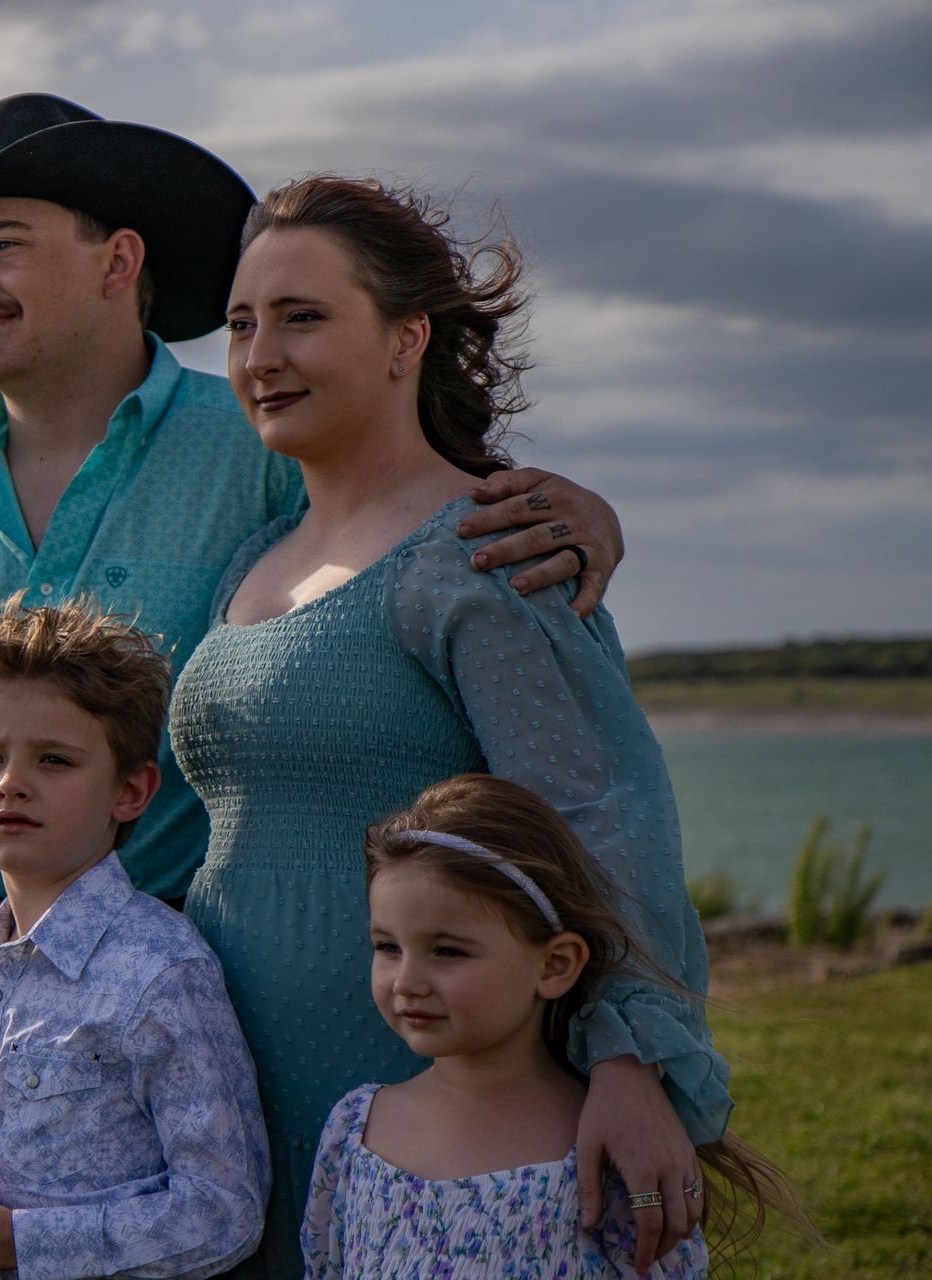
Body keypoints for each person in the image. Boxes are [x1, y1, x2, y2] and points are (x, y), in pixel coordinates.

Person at [0, 91, 627, 1212]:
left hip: (251, 994)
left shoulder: (266, 439)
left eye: (1, 243)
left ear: (117, 259)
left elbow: (412, 520)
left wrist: (565, 507)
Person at [168, 174, 733, 1272]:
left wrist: (630, 1062)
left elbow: (598, 812)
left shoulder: (484, 550)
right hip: (229, 1103)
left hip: (416, 1103)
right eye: (240, 324)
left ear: (405, 338)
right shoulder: (253, 560)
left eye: (303, 316)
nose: (259, 354)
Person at [0, 597, 268, 1280]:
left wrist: (14, 1242)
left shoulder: (159, 969)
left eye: (54, 761)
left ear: (130, 791)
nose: (10, 783)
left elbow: (223, 1212)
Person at [301, 774, 809, 1276]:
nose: (406, 981)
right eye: (388, 947)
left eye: (448, 951)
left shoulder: (610, 1149)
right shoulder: (355, 1130)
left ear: (554, 965)